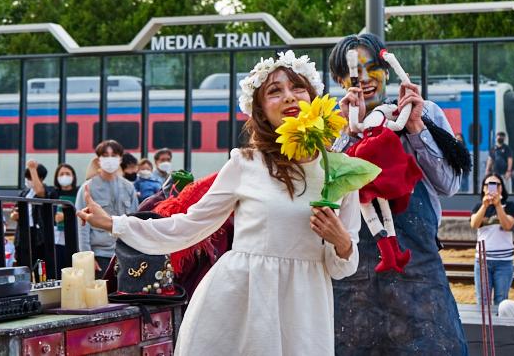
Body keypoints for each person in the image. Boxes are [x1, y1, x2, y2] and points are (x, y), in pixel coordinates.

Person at [77, 51, 361, 355]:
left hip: (305, 310)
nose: (289, 97)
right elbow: (189, 225)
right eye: (275, 91)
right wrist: (114, 223)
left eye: (297, 87)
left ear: (314, 97)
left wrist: (341, 241)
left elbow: (341, 267)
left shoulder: (340, 171)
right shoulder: (246, 163)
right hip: (242, 303)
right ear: (262, 111)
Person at [329, 33, 469, 355]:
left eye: (372, 67)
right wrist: (349, 136)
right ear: (339, 80)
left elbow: (449, 184)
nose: (364, 79)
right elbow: (326, 195)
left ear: (388, 71)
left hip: (419, 277)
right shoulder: (331, 124)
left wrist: (417, 128)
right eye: (353, 71)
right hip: (352, 284)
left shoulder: (424, 112)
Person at [75, 140, 139, 278]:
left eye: (114, 155)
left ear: (120, 158)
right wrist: (87, 257)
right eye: (105, 155)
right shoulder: (88, 188)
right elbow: (82, 226)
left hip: (125, 254)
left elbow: (135, 221)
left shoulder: (129, 187)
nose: (110, 158)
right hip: (100, 256)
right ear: (98, 160)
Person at [470, 173, 514, 305]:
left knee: (501, 301)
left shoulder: (509, 206)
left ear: (501, 188)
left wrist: (498, 205)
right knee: (482, 302)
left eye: (496, 184)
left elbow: (507, 226)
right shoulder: (479, 206)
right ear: (484, 188)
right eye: (489, 184)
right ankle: (483, 327)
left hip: (504, 262)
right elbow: (474, 224)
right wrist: (485, 206)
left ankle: (498, 326)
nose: (493, 187)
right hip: (482, 262)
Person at [12, 160, 56, 267]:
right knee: (22, 264)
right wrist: (14, 215)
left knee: (39, 266)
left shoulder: (48, 191)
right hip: (23, 232)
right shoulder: (23, 193)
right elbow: (15, 210)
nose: (28, 180)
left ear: (40, 178)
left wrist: (32, 168)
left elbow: (40, 193)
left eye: (30, 177)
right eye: (27, 178)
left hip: (39, 234)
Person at [53, 163, 79, 270]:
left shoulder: (79, 192)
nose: (64, 176)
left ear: (73, 176)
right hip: (58, 239)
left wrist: (66, 215)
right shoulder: (53, 193)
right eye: (61, 174)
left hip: (75, 236)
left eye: (67, 173)